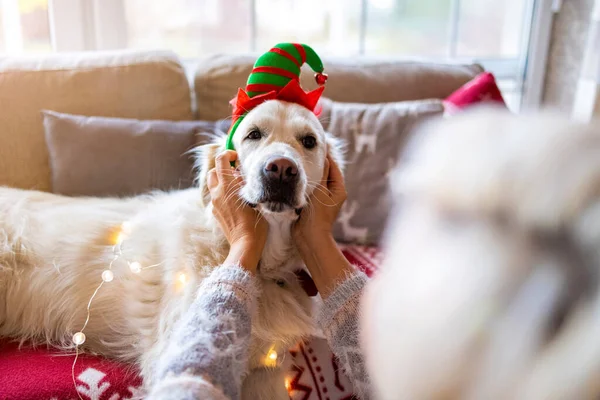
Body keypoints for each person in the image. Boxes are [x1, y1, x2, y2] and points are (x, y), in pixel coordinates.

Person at [147, 150, 370, 400]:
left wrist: (316, 241)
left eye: (307, 142)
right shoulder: (182, 252)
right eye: (254, 135)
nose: (282, 163)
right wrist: (245, 242)